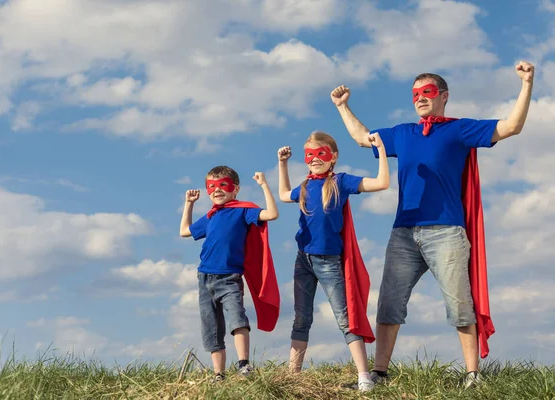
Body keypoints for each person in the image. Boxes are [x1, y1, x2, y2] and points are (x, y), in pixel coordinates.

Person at [331, 61, 535, 387]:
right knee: (389, 303)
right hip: (404, 232)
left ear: (443, 96)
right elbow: (361, 138)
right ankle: (379, 374)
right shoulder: (402, 133)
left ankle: (472, 376)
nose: (420, 98)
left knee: (459, 303)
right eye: (415, 94)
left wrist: (526, 84)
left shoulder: (459, 129)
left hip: (447, 232)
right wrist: (343, 107)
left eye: (427, 92)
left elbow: (511, 127)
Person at [277, 130, 389, 392]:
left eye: (320, 153)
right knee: (301, 318)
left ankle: (364, 377)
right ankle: (292, 378)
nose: (314, 159)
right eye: (309, 155)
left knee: (345, 317)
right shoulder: (305, 186)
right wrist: (282, 164)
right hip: (302, 260)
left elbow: (382, 183)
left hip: (329, 261)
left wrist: (381, 150)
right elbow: (283, 194)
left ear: (333, 157)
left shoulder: (342, 181)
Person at [179, 165, 281, 382]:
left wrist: (264, 185)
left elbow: (272, 214)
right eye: (211, 186)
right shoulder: (211, 216)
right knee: (211, 328)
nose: (216, 190)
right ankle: (219, 374)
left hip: (229, 278)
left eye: (222, 185)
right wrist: (189, 204)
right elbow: (184, 231)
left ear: (235, 189)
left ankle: (243, 364)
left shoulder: (243, 210)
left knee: (237, 319)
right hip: (204, 278)